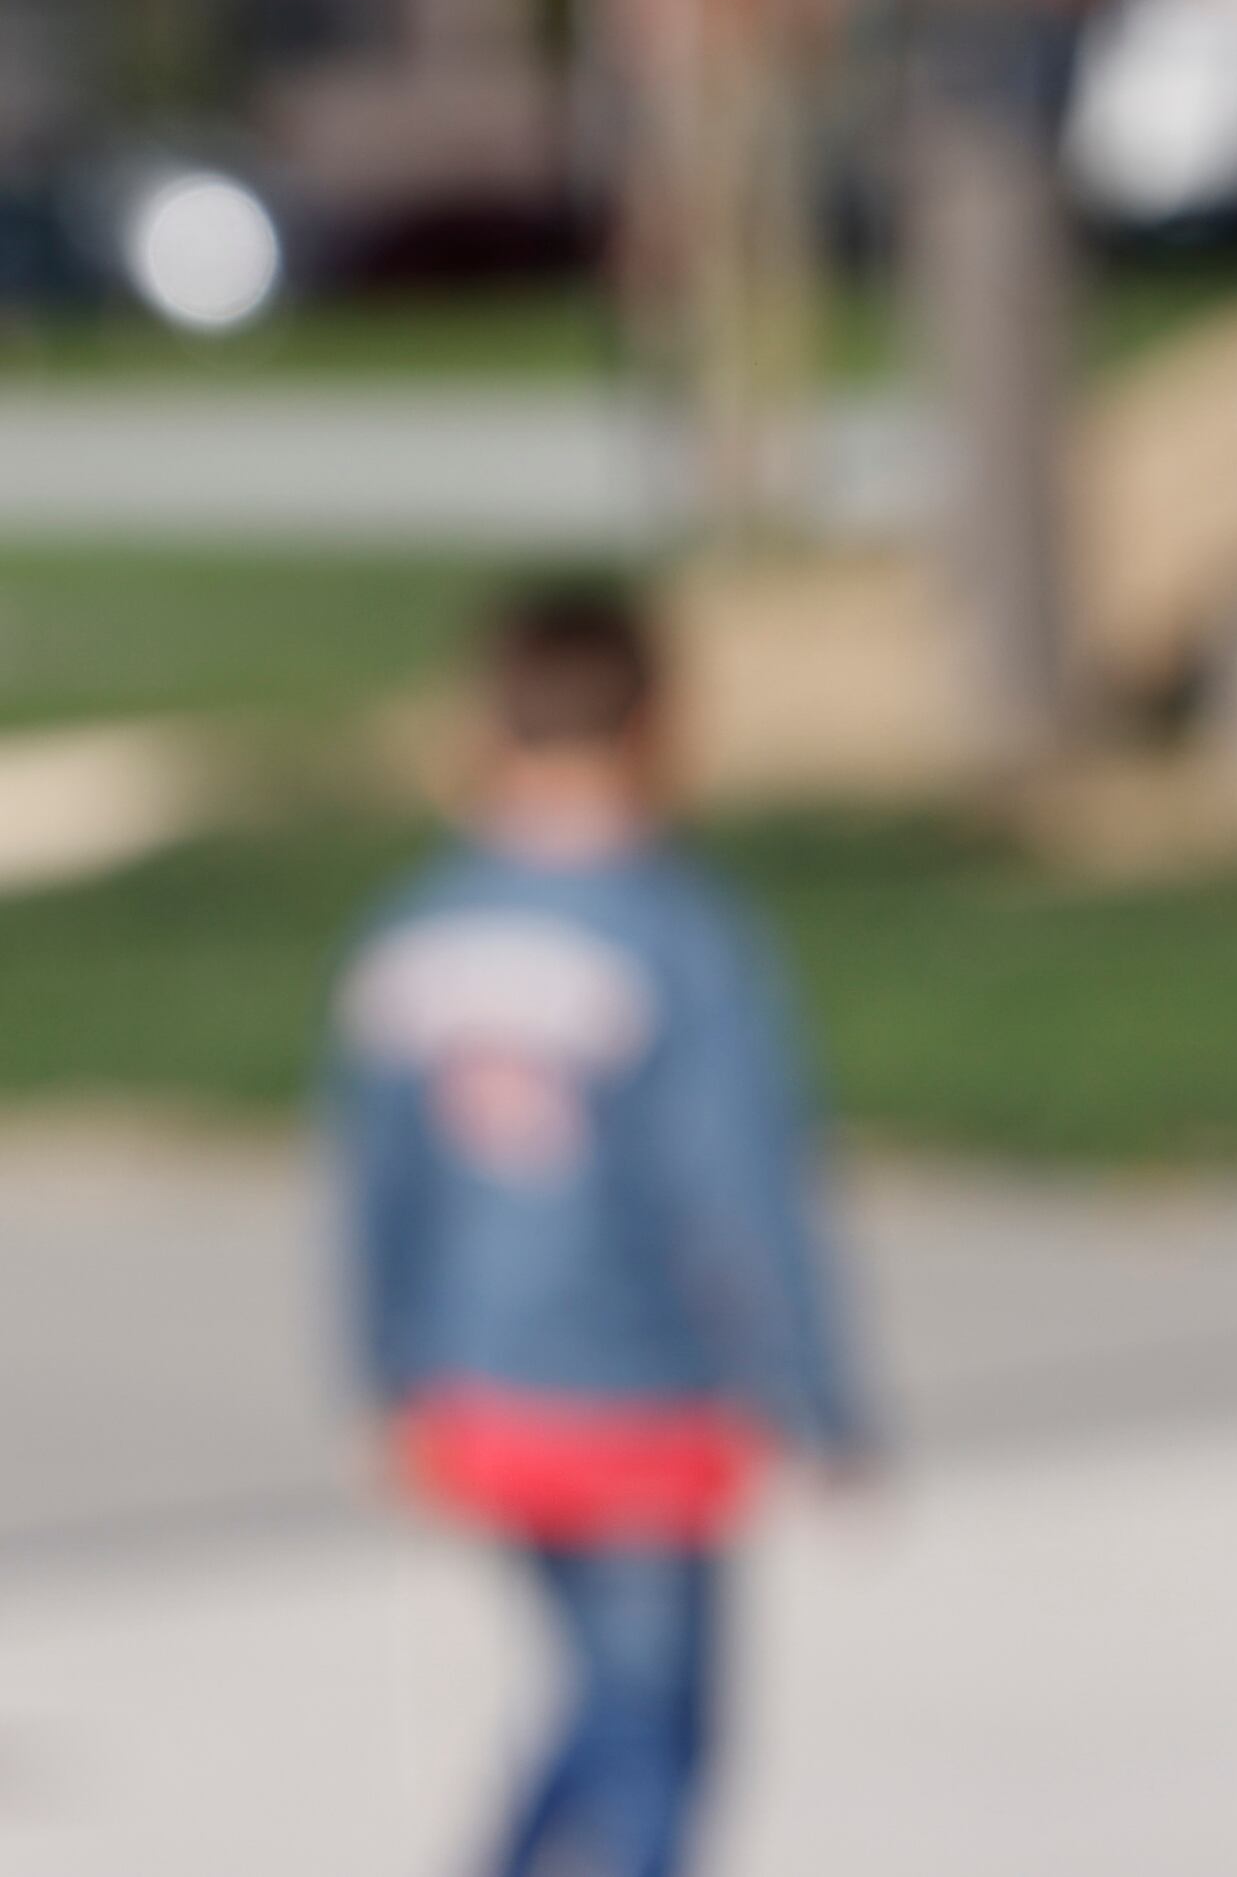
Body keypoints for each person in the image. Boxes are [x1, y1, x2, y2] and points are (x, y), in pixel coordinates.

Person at [334, 579, 868, 1877]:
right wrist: (817, 1388)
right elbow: (740, 1184)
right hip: (642, 1397)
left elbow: (377, 1185)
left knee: (598, 1697)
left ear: (485, 727)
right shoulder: (681, 936)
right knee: (658, 1738)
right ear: (660, 731)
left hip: (484, 1396)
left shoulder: (416, 929)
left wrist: (386, 1374)